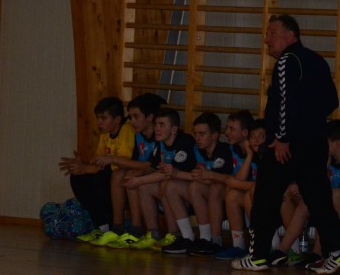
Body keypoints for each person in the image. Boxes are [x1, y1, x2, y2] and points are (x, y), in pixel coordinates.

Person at [232, 14, 340, 274]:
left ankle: (258, 256)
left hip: (286, 147)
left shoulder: (287, 61)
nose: (267, 40)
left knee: (265, 197)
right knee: (319, 199)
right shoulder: (317, 61)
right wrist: (310, 125)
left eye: (271, 33)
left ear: (290, 36)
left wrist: (283, 138)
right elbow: (331, 102)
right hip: (314, 144)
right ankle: (337, 253)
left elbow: (286, 103)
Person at [91, 92, 165, 248]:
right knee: (118, 175)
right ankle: (117, 228)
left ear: (150, 117)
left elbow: (150, 166)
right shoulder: (139, 136)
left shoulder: (159, 137)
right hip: (145, 174)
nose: (131, 121)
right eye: (130, 117)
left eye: (136, 116)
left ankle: (137, 229)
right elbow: (135, 162)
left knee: (131, 175)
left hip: (160, 178)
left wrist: (113, 159)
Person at [59, 96, 135, 242]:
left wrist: (86, 168)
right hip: (110, 175)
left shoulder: (127, 131)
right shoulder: (105, 133)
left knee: (101, 179)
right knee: (77, 177)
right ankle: (101, 226)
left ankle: (114, 226)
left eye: (103, 118)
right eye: (97, 118)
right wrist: (82, 165)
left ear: (117, 120)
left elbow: (120, 165)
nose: (99, 122)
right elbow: (99, 162)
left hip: (125, 179)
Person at [126, 106, 196, 250]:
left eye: (162, 125)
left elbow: (169, 173)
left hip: (192, 191)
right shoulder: (160, 142)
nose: (157, 128)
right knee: (144, 187)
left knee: (165, 184)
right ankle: (153, 234)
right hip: (173, 188)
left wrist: (138, 180)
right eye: (157, 124)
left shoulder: (185, 141)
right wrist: (138, 174)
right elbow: (153, 166)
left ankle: (174, 235)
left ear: (174, 129)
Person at [186, 112, 235, 255]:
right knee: (193, 187)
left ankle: (216, 240)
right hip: (208, 192)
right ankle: (205, 238)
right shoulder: (195, 150)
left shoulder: (225, 150)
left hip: (226, 195)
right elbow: (190, 174)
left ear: (214, 136)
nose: (197, 138)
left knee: (215, 187)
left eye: (202, 134)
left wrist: (207, 176)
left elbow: (225, 178)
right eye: (195, 134)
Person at [215, 112, 260, 261]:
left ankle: (264, 246)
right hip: (249, 195)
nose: (226, 132)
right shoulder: (233, 149)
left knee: (247, 193)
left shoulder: (259, 150)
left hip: (264, 198)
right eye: (227, 128)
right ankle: (239, 246)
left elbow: (261, 185)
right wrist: (248, 156)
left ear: (245, 133)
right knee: (232, 195)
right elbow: (237, 182)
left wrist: (235, 183)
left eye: (232, 129)